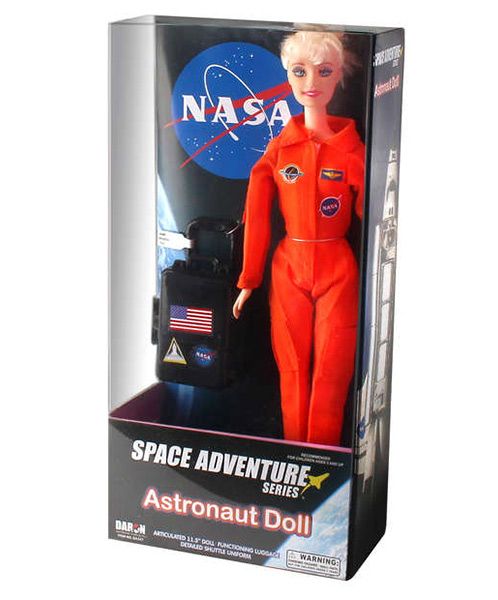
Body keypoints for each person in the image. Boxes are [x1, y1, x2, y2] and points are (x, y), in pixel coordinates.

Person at [233, 30, 365, 446]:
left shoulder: (352, 152)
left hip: (338, 267)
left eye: (324, 71)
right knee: (291, 367)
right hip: (288, 266)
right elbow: (257, 215)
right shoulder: (279, 151)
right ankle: (294, 455)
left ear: (338, 75)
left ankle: (321, 458)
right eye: (299, 71)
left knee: (332, 369)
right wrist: (249, 279)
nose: (311, 82)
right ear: (288, 75)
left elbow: (379, 216)